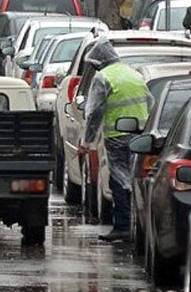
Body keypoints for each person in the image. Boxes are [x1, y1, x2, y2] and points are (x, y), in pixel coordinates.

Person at [78, 37, 152, 242]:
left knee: (119, 181)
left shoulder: (103, 78)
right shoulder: (134, 74)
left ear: (99, 61)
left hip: (117, 136)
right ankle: (138, 227)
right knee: (135, 179)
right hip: (140, 137)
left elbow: (94, 112)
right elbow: (150, 101)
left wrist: (86, 142)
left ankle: (122, 227)